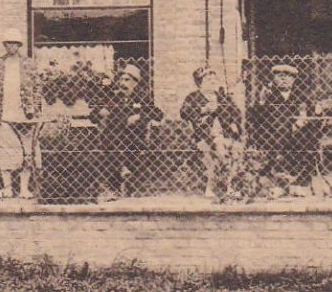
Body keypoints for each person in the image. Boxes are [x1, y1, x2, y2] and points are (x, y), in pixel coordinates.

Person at [92, 63, 164, 201]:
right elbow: (94, 115)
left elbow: (158, 114)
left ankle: (119, 182)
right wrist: (100, 112)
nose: (122, 83)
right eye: (121, 80)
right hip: (113, 139)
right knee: (113, 141)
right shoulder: (114, 98)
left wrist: (140, 116)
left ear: (135, 83)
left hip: (135, 138)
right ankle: (120, 179)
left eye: (127, 80)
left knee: (116, 144)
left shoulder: (142, 99)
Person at [0, 28, 42, 200]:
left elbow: (37, 87)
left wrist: (34, 108)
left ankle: (24, 189)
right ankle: (8, 188)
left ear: (19, 45)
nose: (11, 46)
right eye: (8, 43)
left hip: (25, 114)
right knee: (5, 151)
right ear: (5, 45)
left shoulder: (28, 63)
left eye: (15, 43)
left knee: (26, 151)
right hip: (2, 114)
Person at [248, 62, 316, 197]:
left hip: (296, 133)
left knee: (306, 142)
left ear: (294, 79)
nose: (284, 79)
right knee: (274, 141)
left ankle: (299, 183)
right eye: (279, 76)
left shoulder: (300, 96)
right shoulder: (267, 95)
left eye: (288, 76)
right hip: (271, 133)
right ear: (273, 79)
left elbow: (307, 115)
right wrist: (261, 103)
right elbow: (256, 118)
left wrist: (300, 122)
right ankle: (279, 184)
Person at [180, 67, 244, 201]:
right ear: (200, 82)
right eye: (208, 79)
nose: (212, 82)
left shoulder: (221, 97)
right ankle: (220, 187)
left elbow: (236, 112)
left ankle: (230, 185)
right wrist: (203, 109)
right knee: (221, 152)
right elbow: (184, 113)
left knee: (237, 150)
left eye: (214, 79)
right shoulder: (193, 97)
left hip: (225, 134)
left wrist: (233, 123)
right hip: (204, 135)